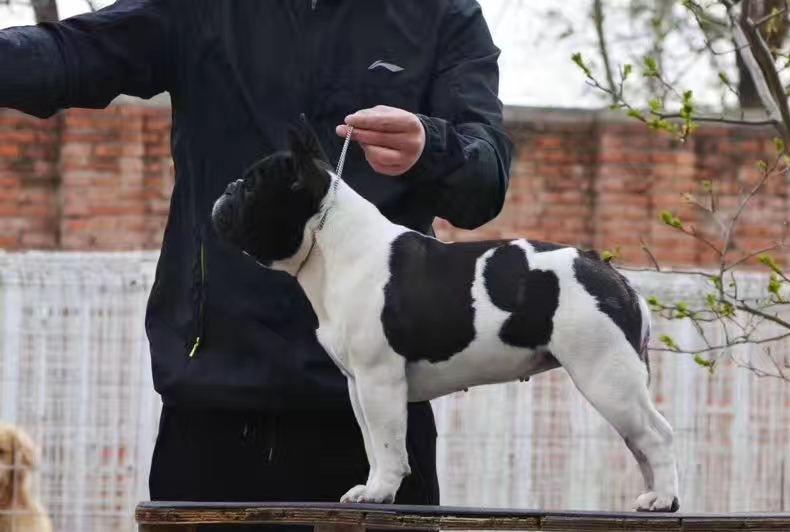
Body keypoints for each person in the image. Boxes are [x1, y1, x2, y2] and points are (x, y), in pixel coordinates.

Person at [0, 0, 513, 528]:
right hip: (212, 417)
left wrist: (434, 147)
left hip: (376, 425)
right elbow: (73, 53)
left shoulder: (441, 14)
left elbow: (487, 180)